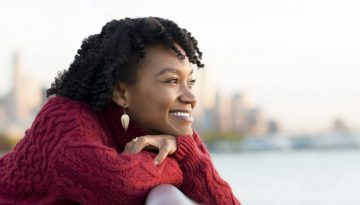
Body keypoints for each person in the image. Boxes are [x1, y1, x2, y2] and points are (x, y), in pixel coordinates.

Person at [0, 17, 241, 205]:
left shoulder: (169, 135)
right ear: (121, 93)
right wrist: (180, 164)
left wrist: (184, 149)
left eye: (190, 82)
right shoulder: (66, 123)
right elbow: (119, 184)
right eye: (171, 81)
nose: (191, 98)